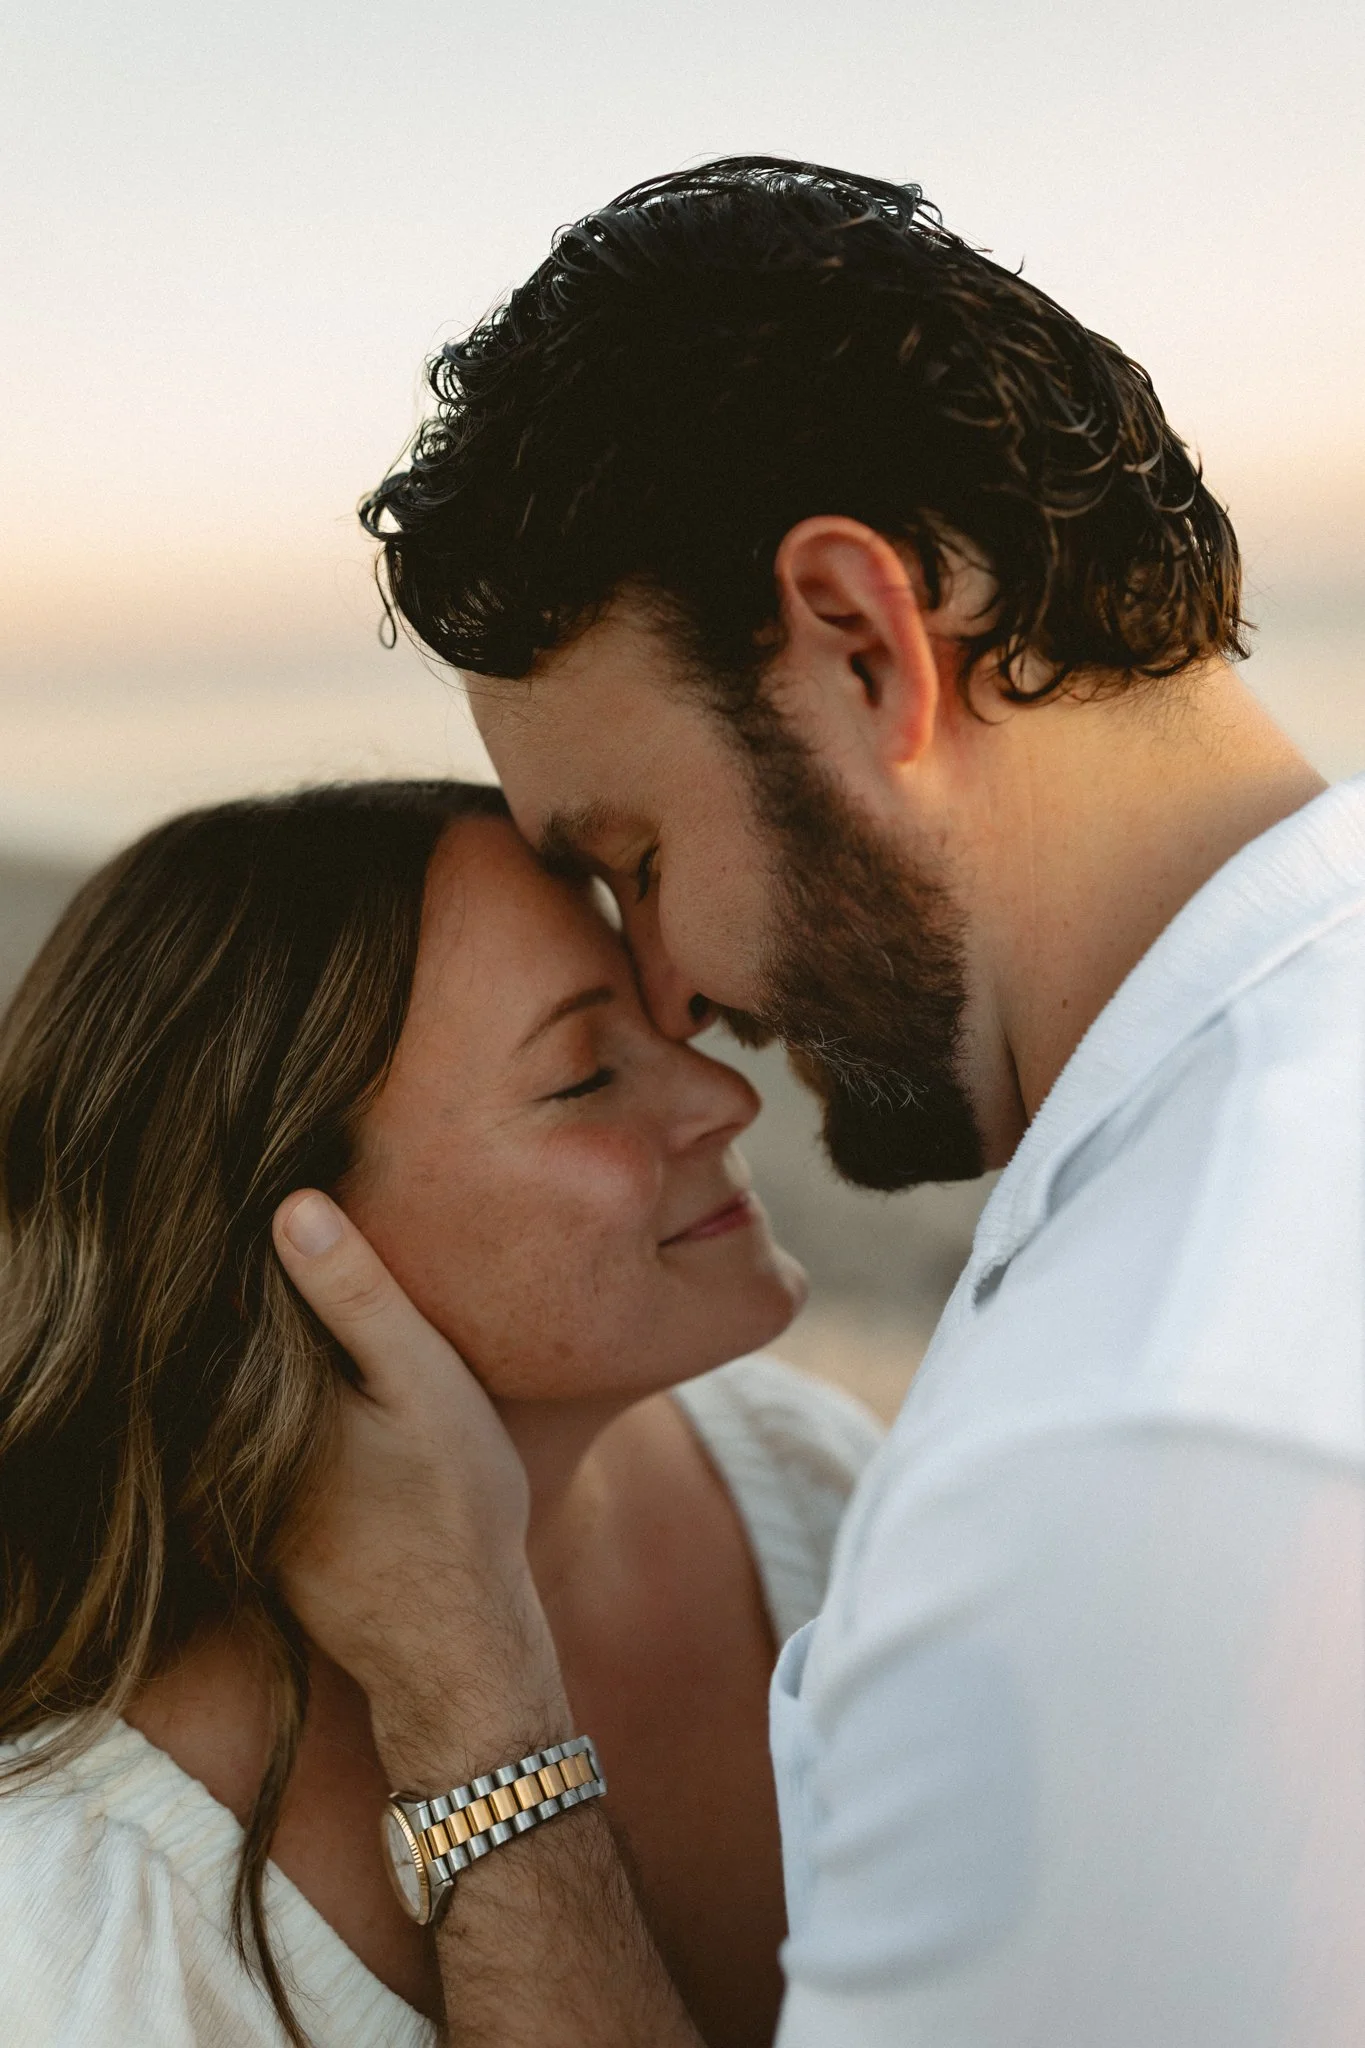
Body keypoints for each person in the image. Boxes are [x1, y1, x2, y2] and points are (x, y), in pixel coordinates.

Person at [266, 156, 1365, 2046]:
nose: (670, 988)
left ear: (861, 639)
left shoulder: (1112, 1470)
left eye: (635, 851)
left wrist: (470, 1697)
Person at [0, 779, 882, 2048]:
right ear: (296, 1240)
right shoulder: (92, 1920)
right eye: (586, 1076)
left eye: (659, 1026)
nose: (727, 1102)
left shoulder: (809, 1481)